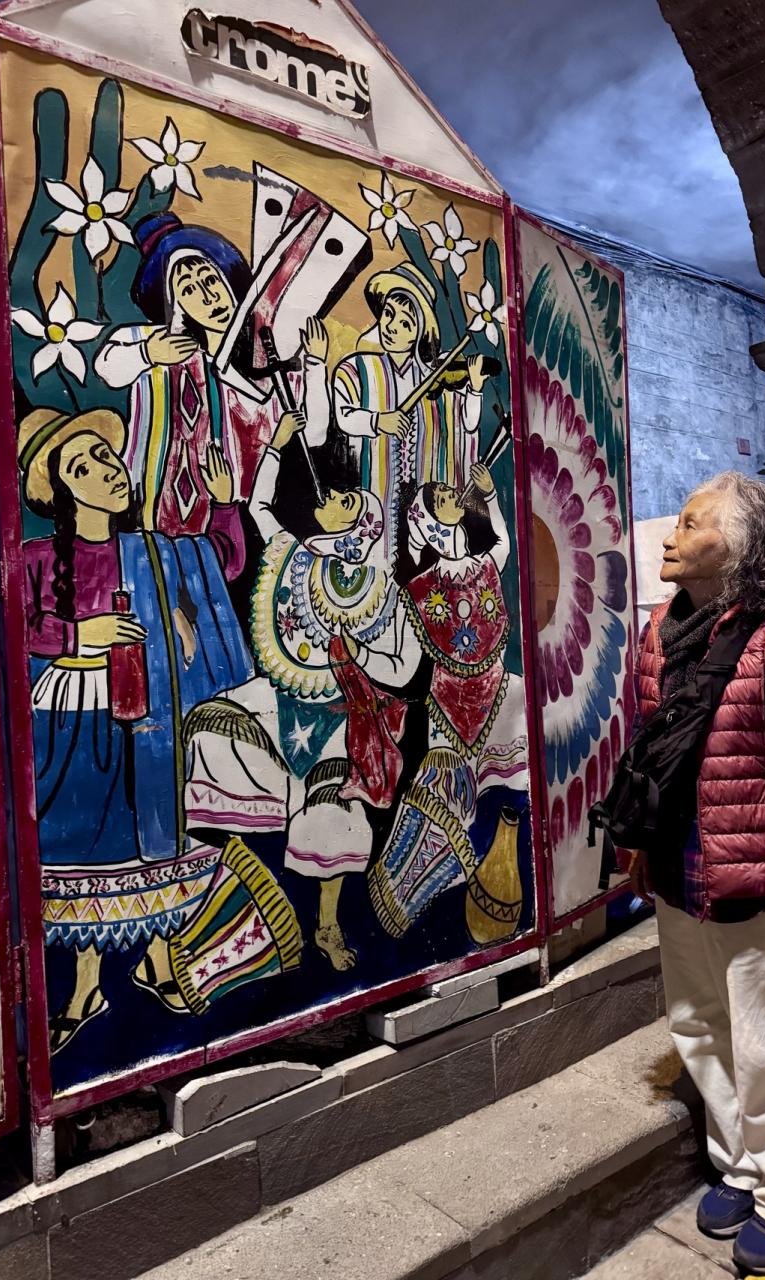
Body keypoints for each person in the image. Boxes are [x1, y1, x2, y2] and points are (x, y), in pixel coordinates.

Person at [626, 471, 765, 1276]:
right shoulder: (655, 633)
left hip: (756, 882)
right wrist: (636, 847)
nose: (671, 536)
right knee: (697, 1027)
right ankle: (739, 1165)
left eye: (692, 524)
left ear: (739, 547)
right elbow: (649, 755)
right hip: (677, 872)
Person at [19, 406, 251, 1049]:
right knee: (86, 852)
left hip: (144, 718)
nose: (105, 469)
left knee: (152, 837)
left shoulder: (150, 550)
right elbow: (15, 623)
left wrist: (224, 504)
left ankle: (157, 959)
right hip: (70, 721)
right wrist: (79, 635)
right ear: (61, 492)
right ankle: (84, 987)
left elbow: (221, 564)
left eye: (104, 455)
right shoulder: (37, 557)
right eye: (82, 466)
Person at [182, 413, 406, 972]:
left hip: (339, 713)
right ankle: (237, 879)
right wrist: (277, 447)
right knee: (210, 731)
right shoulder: (293, 552)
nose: (334, 502)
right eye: (329, 496)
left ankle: (326, 924)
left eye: (346, 498)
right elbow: (260, 506)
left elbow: (401, 668)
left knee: (332, 813)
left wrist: (360, 659)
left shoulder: (377, 582)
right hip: (279, 694)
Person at [356, 466, 529, 937]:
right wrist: (361, 657)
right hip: (448, 705)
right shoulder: (422, 582)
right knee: (445, 797)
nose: (455, 497)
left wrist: (490, 497)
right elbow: (401, 666)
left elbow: (502, 543)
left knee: (502, 787)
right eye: (445, 497)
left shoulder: (481, 563)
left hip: (496, 691)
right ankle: (406, 892)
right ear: (428, 518)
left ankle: (492, 872)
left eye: (454, 493)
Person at [95, 211, 330, 535]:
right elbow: (107, 366)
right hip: (168, 520)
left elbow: (315, 433)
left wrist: (316, 365)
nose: (208, 298)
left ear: (226, 278)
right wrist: (148, 353)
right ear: (177, 304)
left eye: (209, 280)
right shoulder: (165, 345)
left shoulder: (274, 356)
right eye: (189, 290)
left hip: (251, 522)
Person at [332, 261, 488, 561]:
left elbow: (465, 425)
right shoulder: (360, 368)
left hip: (422, 491)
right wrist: (378, 421)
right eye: (389, 314)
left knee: (415, 560)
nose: (392, 327)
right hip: (377, 486)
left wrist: (475, 389)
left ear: (419, 333)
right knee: (378, 553)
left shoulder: (434, 379)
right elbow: (344, 415)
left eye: (406, 324)